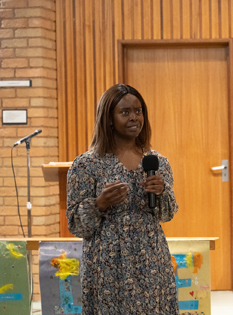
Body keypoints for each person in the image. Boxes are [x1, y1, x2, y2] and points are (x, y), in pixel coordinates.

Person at [66, 84, 179, 314]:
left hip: (150, 260)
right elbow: (76, 225)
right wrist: (100, 204)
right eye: (125, 112)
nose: (134, 117)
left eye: (138, 111)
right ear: (109, 118)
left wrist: (161, 193)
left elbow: (167, 214)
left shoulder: (156, 162)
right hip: (106, 264)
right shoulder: (86, 164)